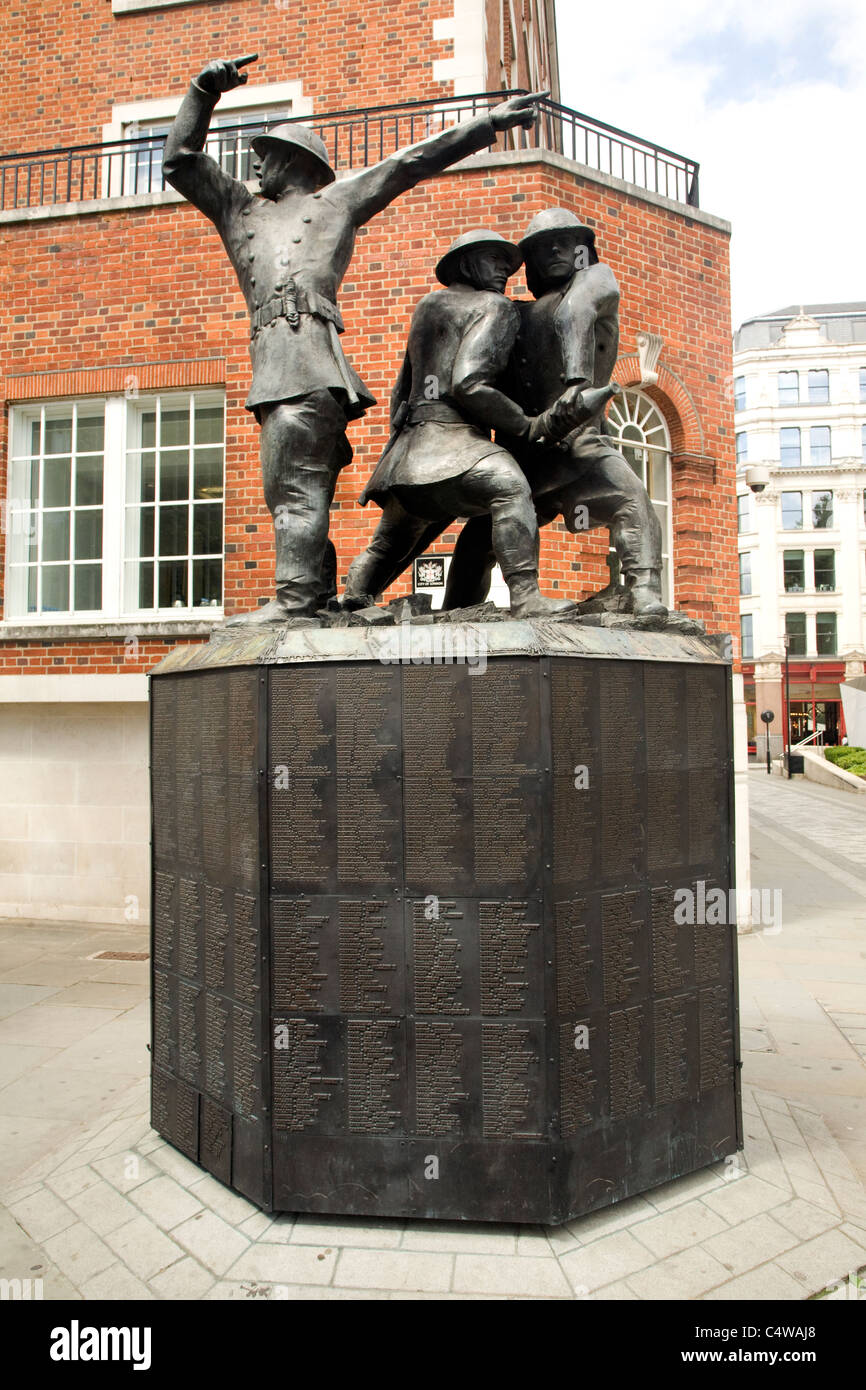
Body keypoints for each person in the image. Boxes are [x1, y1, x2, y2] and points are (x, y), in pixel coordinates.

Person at [163, 53, 547, 620]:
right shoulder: (238, 209)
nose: (256, 167)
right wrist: (202, 90)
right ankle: (314, 594)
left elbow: (410, 162)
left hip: (308, 365)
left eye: (265, 156)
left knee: (296, 492)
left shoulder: (334, 204)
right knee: (285, 494)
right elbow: (179, 161)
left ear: (296, 162)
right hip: (272, 369)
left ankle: (295, 603)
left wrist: (488, 125)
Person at [342, 230, 614, 616]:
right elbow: (469, 384)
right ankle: (525, 596)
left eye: (509, 263)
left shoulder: (427, 305)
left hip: (408, 456)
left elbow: (400, 393)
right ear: (467, 262)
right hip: (454, 446)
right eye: (494, 259)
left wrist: (396, 449)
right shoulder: (494, 306)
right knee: (510, 488)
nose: (505, 269)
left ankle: (350, 602)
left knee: (386, 545)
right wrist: (528, 425)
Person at [442, 208, 667, 616]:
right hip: (527, 456)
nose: (556, 251)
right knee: (479, 541)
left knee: (630, 499)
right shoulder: (512, 313)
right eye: (543, 247)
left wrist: (576, 385)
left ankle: (646, 590)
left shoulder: (595, 281)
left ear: (584, 251)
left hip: (579, 447)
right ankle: (456, 613)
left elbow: (575, 313)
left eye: (566, 242)